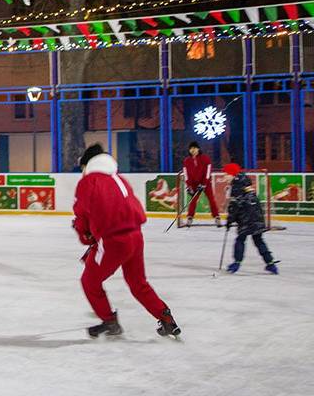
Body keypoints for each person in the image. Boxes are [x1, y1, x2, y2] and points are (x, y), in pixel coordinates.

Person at [73, 144, 181, 338]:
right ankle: (165, 318)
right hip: (135, 236)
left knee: (89, 281)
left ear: (87, 164)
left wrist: (83, 234)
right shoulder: (119, 178)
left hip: (113, 240)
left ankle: (109, 321)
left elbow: (82, 214)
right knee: (137, 282)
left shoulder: (89, 181)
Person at [225, 165, 278, 275]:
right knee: (259, 240)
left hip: (246, 218)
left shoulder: (236, 186)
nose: (225, 176)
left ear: (233, 174)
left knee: (240, 239)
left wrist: (229, 220)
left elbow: (235, 205)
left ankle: (236, 263)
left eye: (227, 174)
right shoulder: (245, 182)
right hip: (257, 217)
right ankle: (271, 264)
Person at [181, 141, 221, 227]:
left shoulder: (205, 158)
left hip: (205, 183)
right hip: (194, 184)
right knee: (193, 201)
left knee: (211, 199)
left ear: (198, 149)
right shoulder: (187, 161)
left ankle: (217, 217)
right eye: (191, 148)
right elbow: (186, 175)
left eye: (194, 148)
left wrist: (204, 184)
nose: (193, 150)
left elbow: (208, 172)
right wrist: (189, 186)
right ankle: (190, 217)